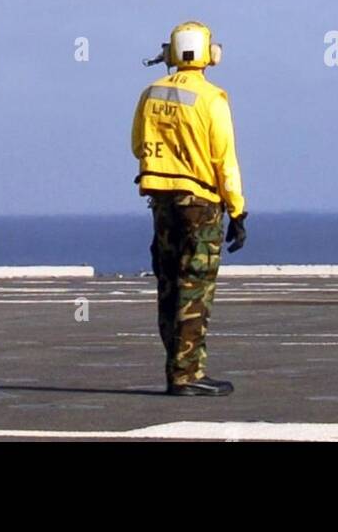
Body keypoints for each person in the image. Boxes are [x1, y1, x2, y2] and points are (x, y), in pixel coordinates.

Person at [132, 21, 247, 396]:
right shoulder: (212, 99)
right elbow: (224, 160)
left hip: (161, 201)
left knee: (168, 284)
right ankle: (187, 375)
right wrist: (237, 210)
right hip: (200, 205)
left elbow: (137, 144)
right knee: (193, 287)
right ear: (209, 54)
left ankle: (176, 367)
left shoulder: (150, 94)